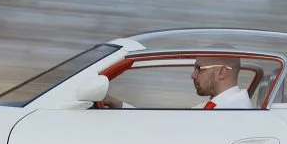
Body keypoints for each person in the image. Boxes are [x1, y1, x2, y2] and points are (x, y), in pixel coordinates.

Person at [101, 53, 253, 110]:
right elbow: (170, 126)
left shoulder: (233, 111)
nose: (193, 75)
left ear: (221, 72)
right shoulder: (217, 106)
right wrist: (118, 104)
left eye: (199, 69)